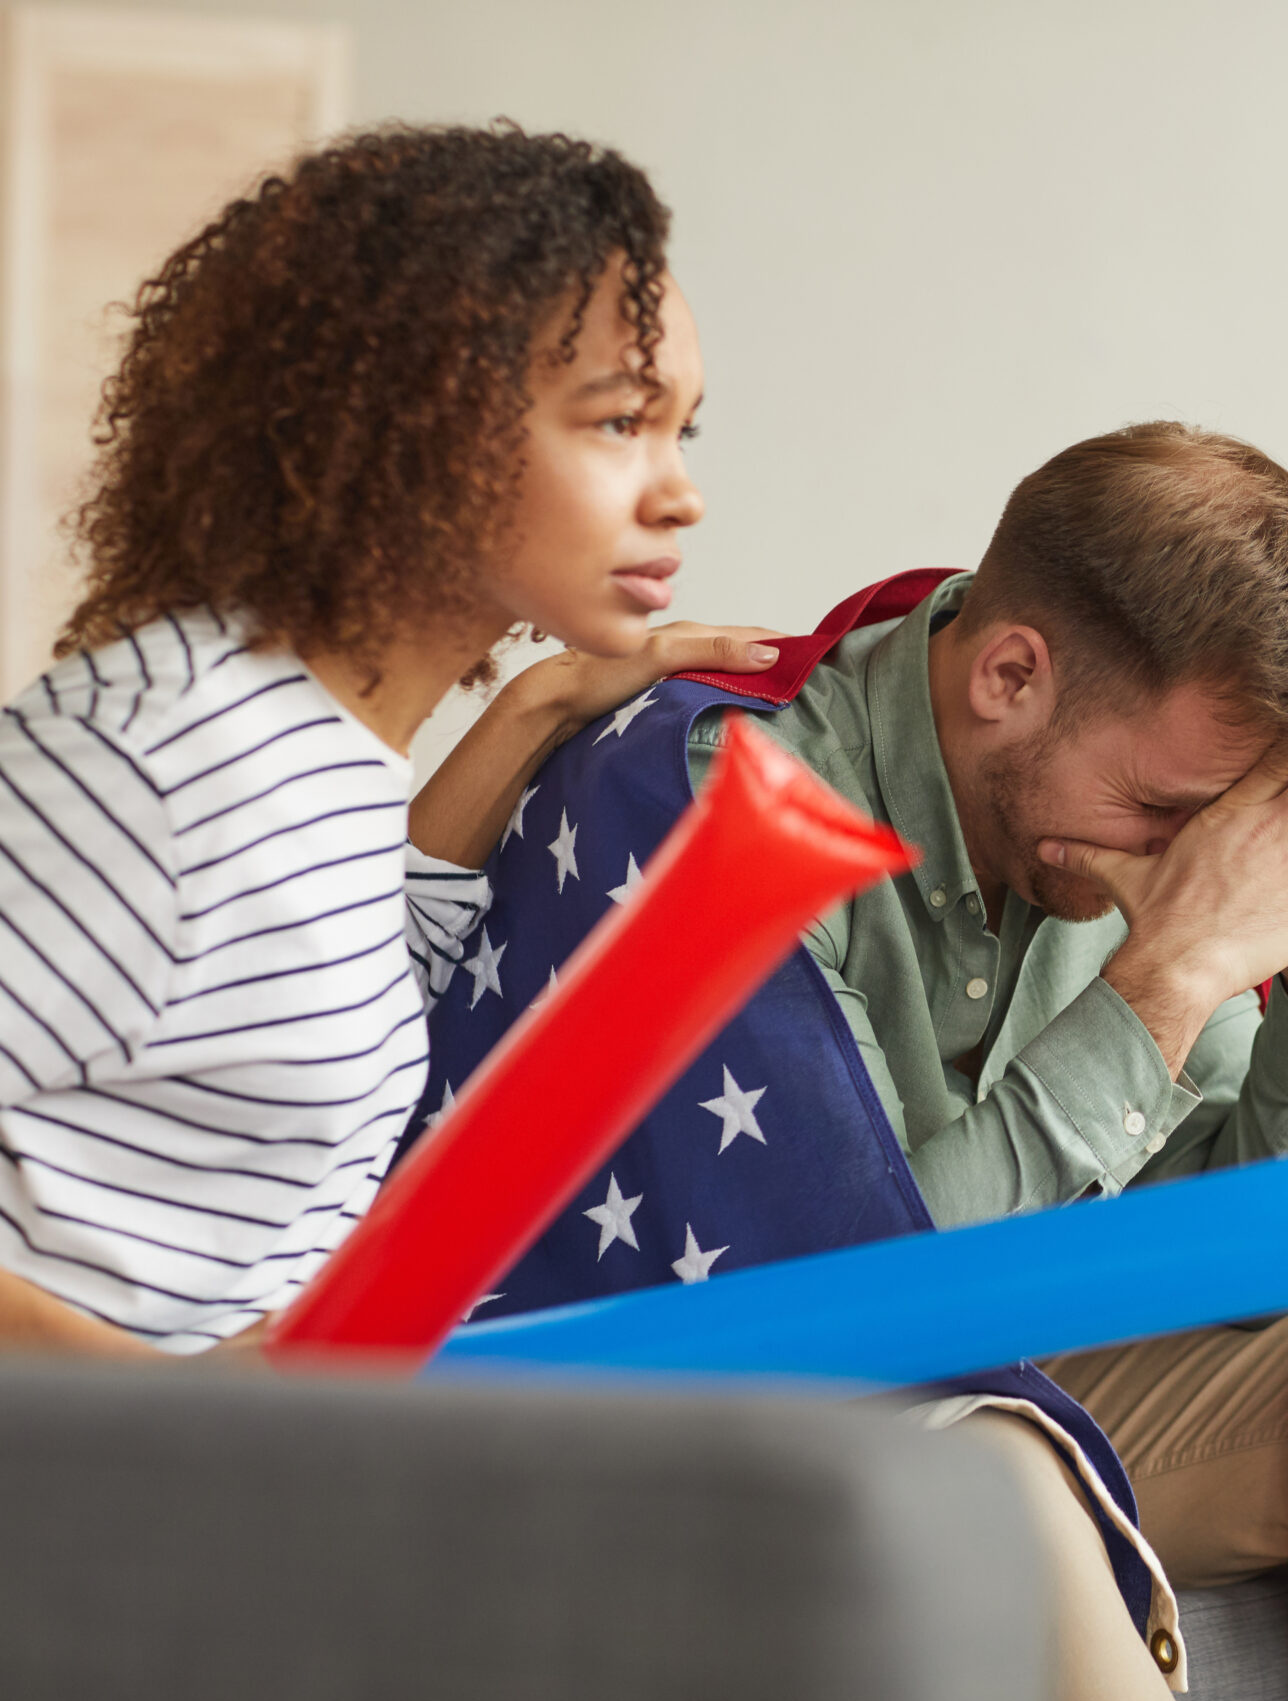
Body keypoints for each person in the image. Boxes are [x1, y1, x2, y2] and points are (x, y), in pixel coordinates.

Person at [425, 422, 1288, 1701]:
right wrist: (1171, 979)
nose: (1191, 867)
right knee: (1002, 1465)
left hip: (1004, 1373)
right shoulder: (729, 805)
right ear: (1011, 678)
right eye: (1164, 814)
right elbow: (866, 1306)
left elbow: (1280, 1255)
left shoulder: (1107, 830)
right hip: (694, 1406)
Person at [0, 123, 773, 1355]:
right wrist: (166, 1405)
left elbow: (299, 982)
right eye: (620, 422)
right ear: (427, 422)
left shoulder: (332, 740)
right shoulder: (158, 756)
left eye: (683, 429)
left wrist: (540, 701)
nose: (679, 491)